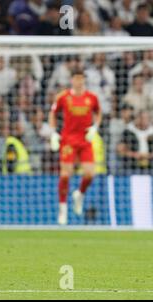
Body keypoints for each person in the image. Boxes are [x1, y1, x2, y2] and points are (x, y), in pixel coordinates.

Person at [49, 68, 102, 225]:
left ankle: (79, 194)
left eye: (81, 78)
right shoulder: (63, 97)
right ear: (71, 80)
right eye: (76, 78)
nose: (79, 81)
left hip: (85, 139)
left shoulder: (92, 97)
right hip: (68, 140)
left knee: (89, 174)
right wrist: (53, 132)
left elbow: (98, 113)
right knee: (65, 174)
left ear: (84, 80)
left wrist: (95, 127)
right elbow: (52, 113)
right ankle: (63, 208)